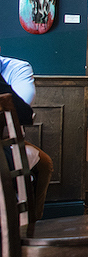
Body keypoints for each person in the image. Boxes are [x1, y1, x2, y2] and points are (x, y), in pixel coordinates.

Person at [0, 47, 53, 220]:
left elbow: (22, 111)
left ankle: (32, 221)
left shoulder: (16, 68)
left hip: (8, 139)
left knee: (44, 164)